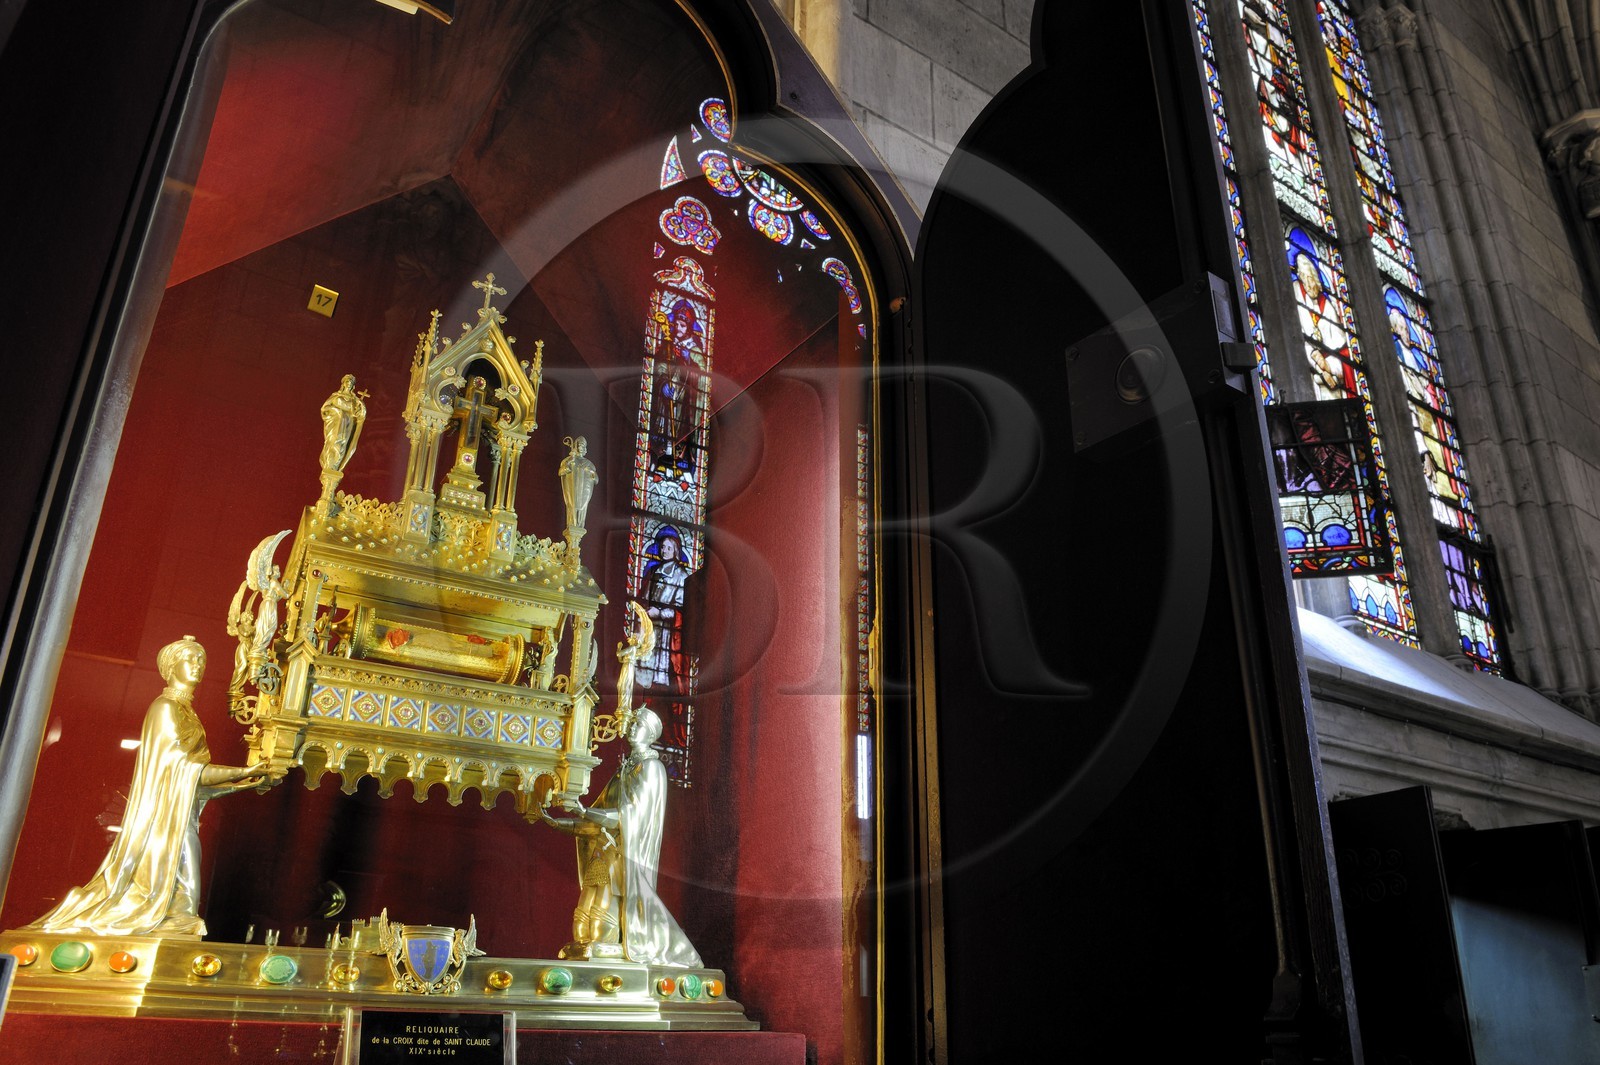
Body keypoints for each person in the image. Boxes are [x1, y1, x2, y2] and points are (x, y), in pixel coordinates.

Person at [27, 637, 266, 937]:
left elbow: (193, 784)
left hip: (182, 817)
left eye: (202, 661)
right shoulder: (165, 708)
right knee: (183, 883)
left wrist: (242, 782)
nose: (198, 666)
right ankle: (167, 923)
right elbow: (182, 770)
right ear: (170, 667)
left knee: (188, 885)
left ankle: (174, 924)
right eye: (189, 659)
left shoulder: (188, 713)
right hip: (163, 822)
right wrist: (242, 771)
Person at [541, 706, 702, 967]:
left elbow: (632, 816)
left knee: (601, 917)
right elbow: (596, 816)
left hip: (623, 855)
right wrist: (561, 823)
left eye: (637, 725)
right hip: (601, 855)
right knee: (581, 919)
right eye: (631, 724)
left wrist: (585, 811)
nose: (630, 728)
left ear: (651, 734)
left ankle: (613, 952)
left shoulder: (651, 768)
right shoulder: (624, 769)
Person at [639, 528, 689, 692]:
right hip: (649, 629)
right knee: (644, 675)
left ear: (675, 550)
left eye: (668, 548)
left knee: (660, 676)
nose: (664, 551)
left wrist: (659, 613)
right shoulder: (654, 573)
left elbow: (681, 609)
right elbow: (644, 598)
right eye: (662, 547)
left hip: (667, 633)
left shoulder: (681, 576)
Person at [558, 435, 598, 535]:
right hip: (572, 491)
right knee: (572, 504)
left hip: (584, 491)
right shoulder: (568, 461)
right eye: (580, 445)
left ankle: (580, 524)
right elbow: (561, 472)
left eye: (584, 446)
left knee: (582, 507)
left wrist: (592, 472)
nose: (582, 448)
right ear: (576, 446)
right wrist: (569, 463)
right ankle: (572, 524)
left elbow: (596, 479)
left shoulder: (589, 464)